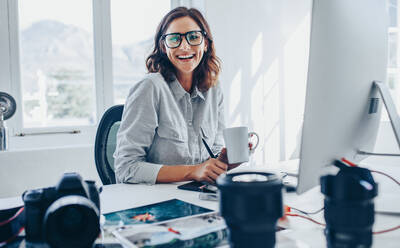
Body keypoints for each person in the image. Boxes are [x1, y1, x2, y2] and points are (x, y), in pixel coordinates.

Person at [114, 7, 237, 185]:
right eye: (174, 39)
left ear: (206, 43)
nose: (184, 46)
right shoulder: (150, 87)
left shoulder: (214, 88)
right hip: (155, 202)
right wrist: (193, 171)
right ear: (164, 47)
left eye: (193, 37)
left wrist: (225, 162)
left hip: (197, 196)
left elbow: (213, 153)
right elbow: (126, 168)